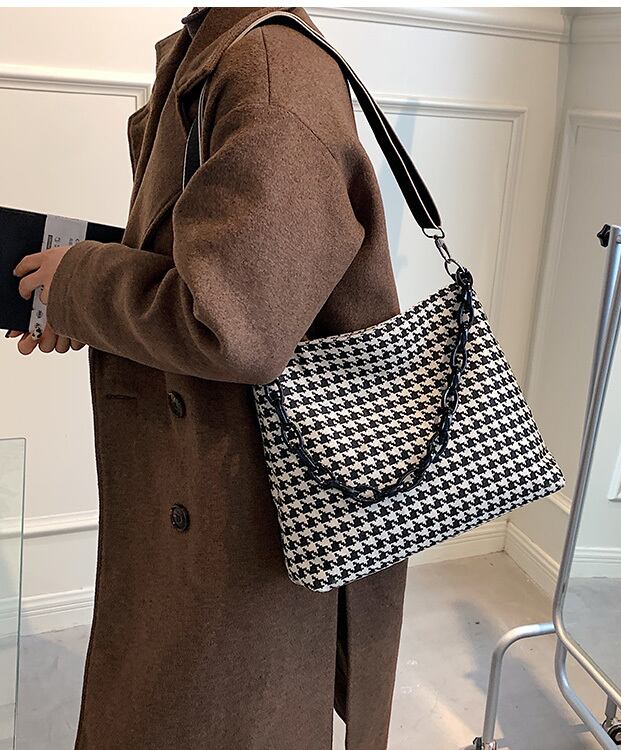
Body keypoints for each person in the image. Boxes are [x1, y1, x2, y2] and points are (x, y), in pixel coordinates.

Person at [10, 7, 407, 749]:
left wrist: (85, 284)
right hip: (215, 481)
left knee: (221, 712)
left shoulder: (273, 79)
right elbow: (207, 260)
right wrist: (74, 298)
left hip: (249, 513)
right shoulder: (224, 47)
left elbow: (237, 322)